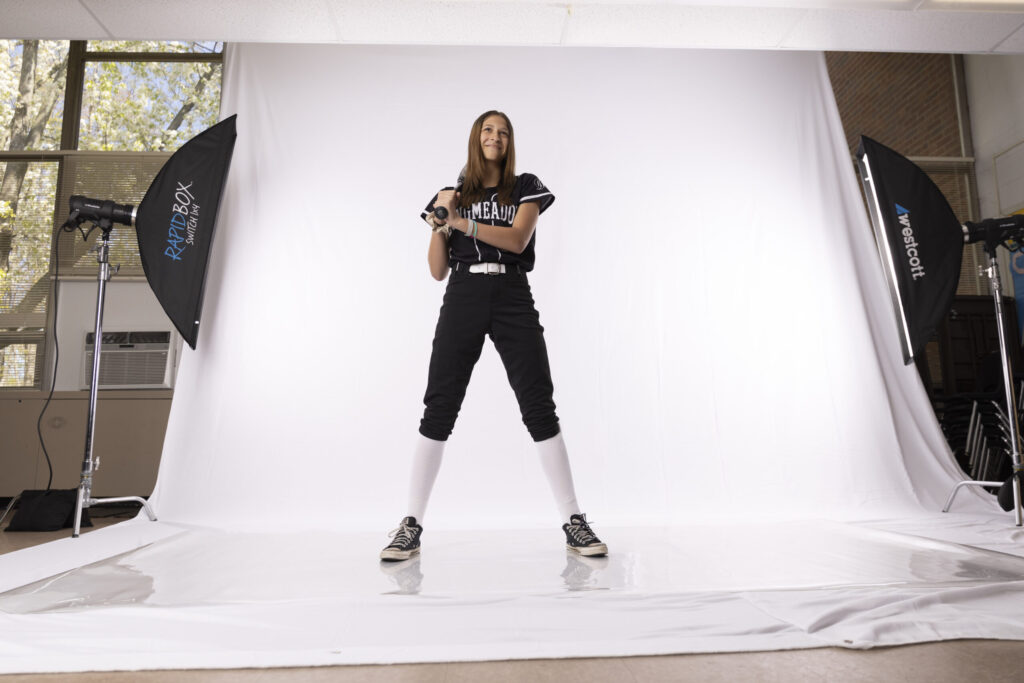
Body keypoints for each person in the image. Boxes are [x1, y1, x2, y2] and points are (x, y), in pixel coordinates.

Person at [380, 110, 607, 562]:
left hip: (511, 294)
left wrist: (462, 223)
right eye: (487, 129)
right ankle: (410, 524)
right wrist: (440, 219)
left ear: (510, 142)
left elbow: (519, 239)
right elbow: (437, 270)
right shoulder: (453, 195)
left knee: (538, 403)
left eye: (503, 132)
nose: (495, 136)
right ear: (474, 138)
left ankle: (574, 521)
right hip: (463, 292)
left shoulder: (524, 186)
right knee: (439, 404)